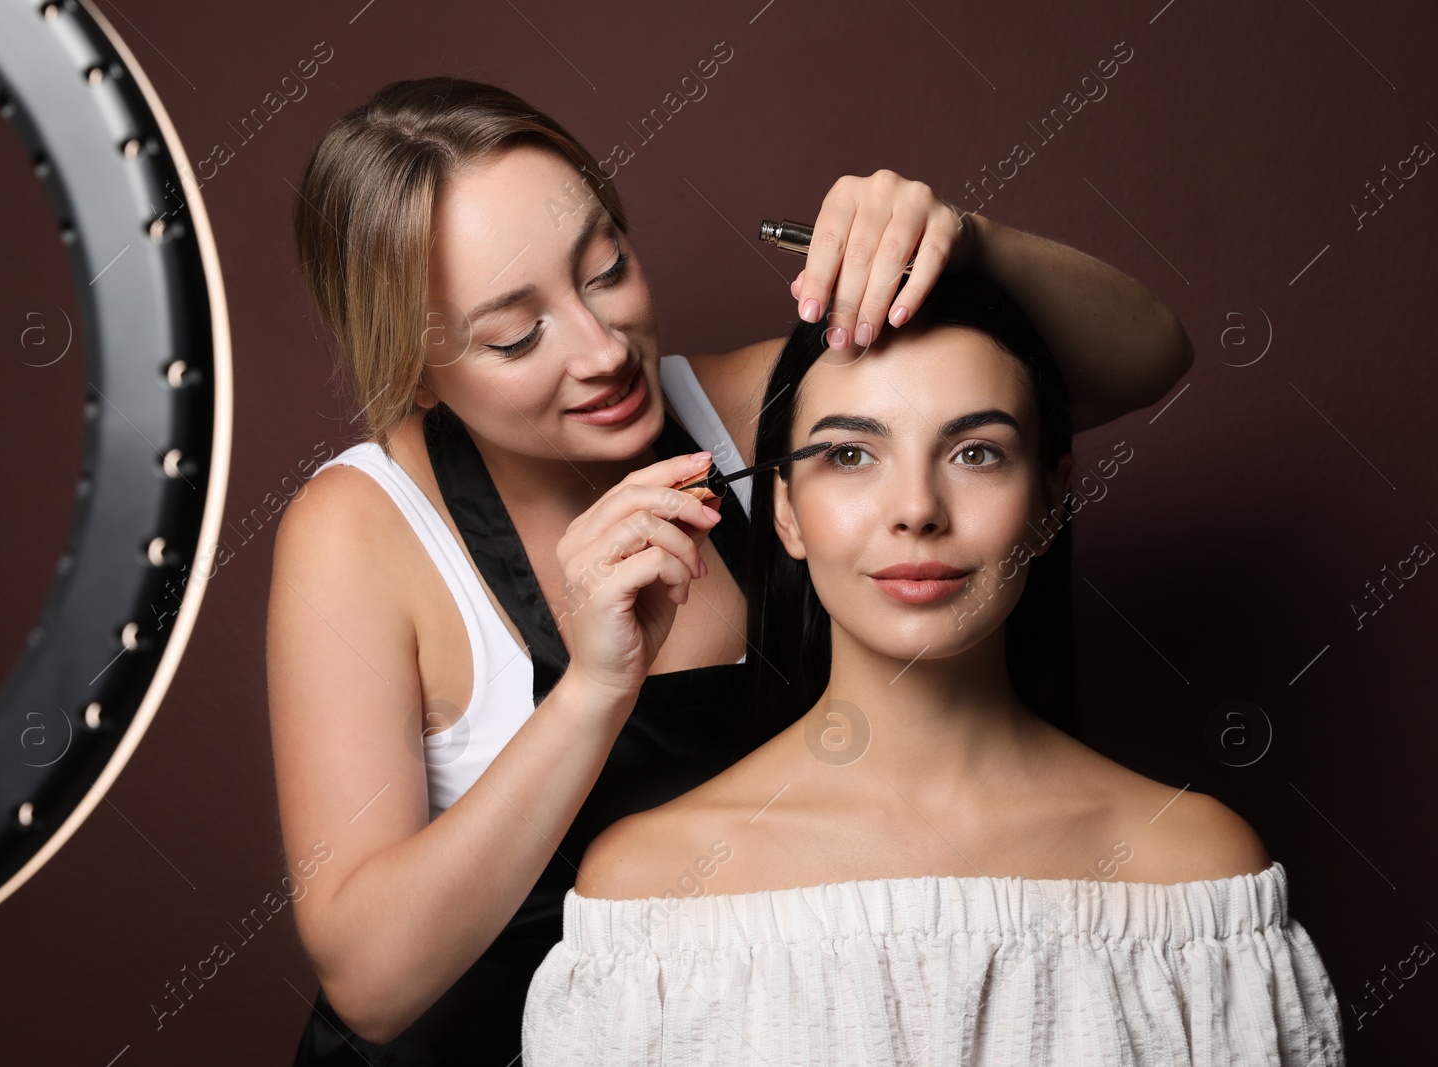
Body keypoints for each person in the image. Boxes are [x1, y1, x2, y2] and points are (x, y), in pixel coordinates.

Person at [269, 75, 1198, 1065]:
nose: (601, 350)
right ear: (413, 366)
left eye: (604, 268)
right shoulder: (360, 529)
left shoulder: (757, 416)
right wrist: (591, 690)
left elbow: (1144, 358)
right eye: (517, 333)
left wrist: (962, 244)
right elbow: (372, 981)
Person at [521, 267, 1345, 1065]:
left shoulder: (1197, 880)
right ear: (784, 510)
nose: (917, 509)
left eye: (976, 453)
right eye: (849, 455)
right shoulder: (649, 893)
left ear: (1051, 501)